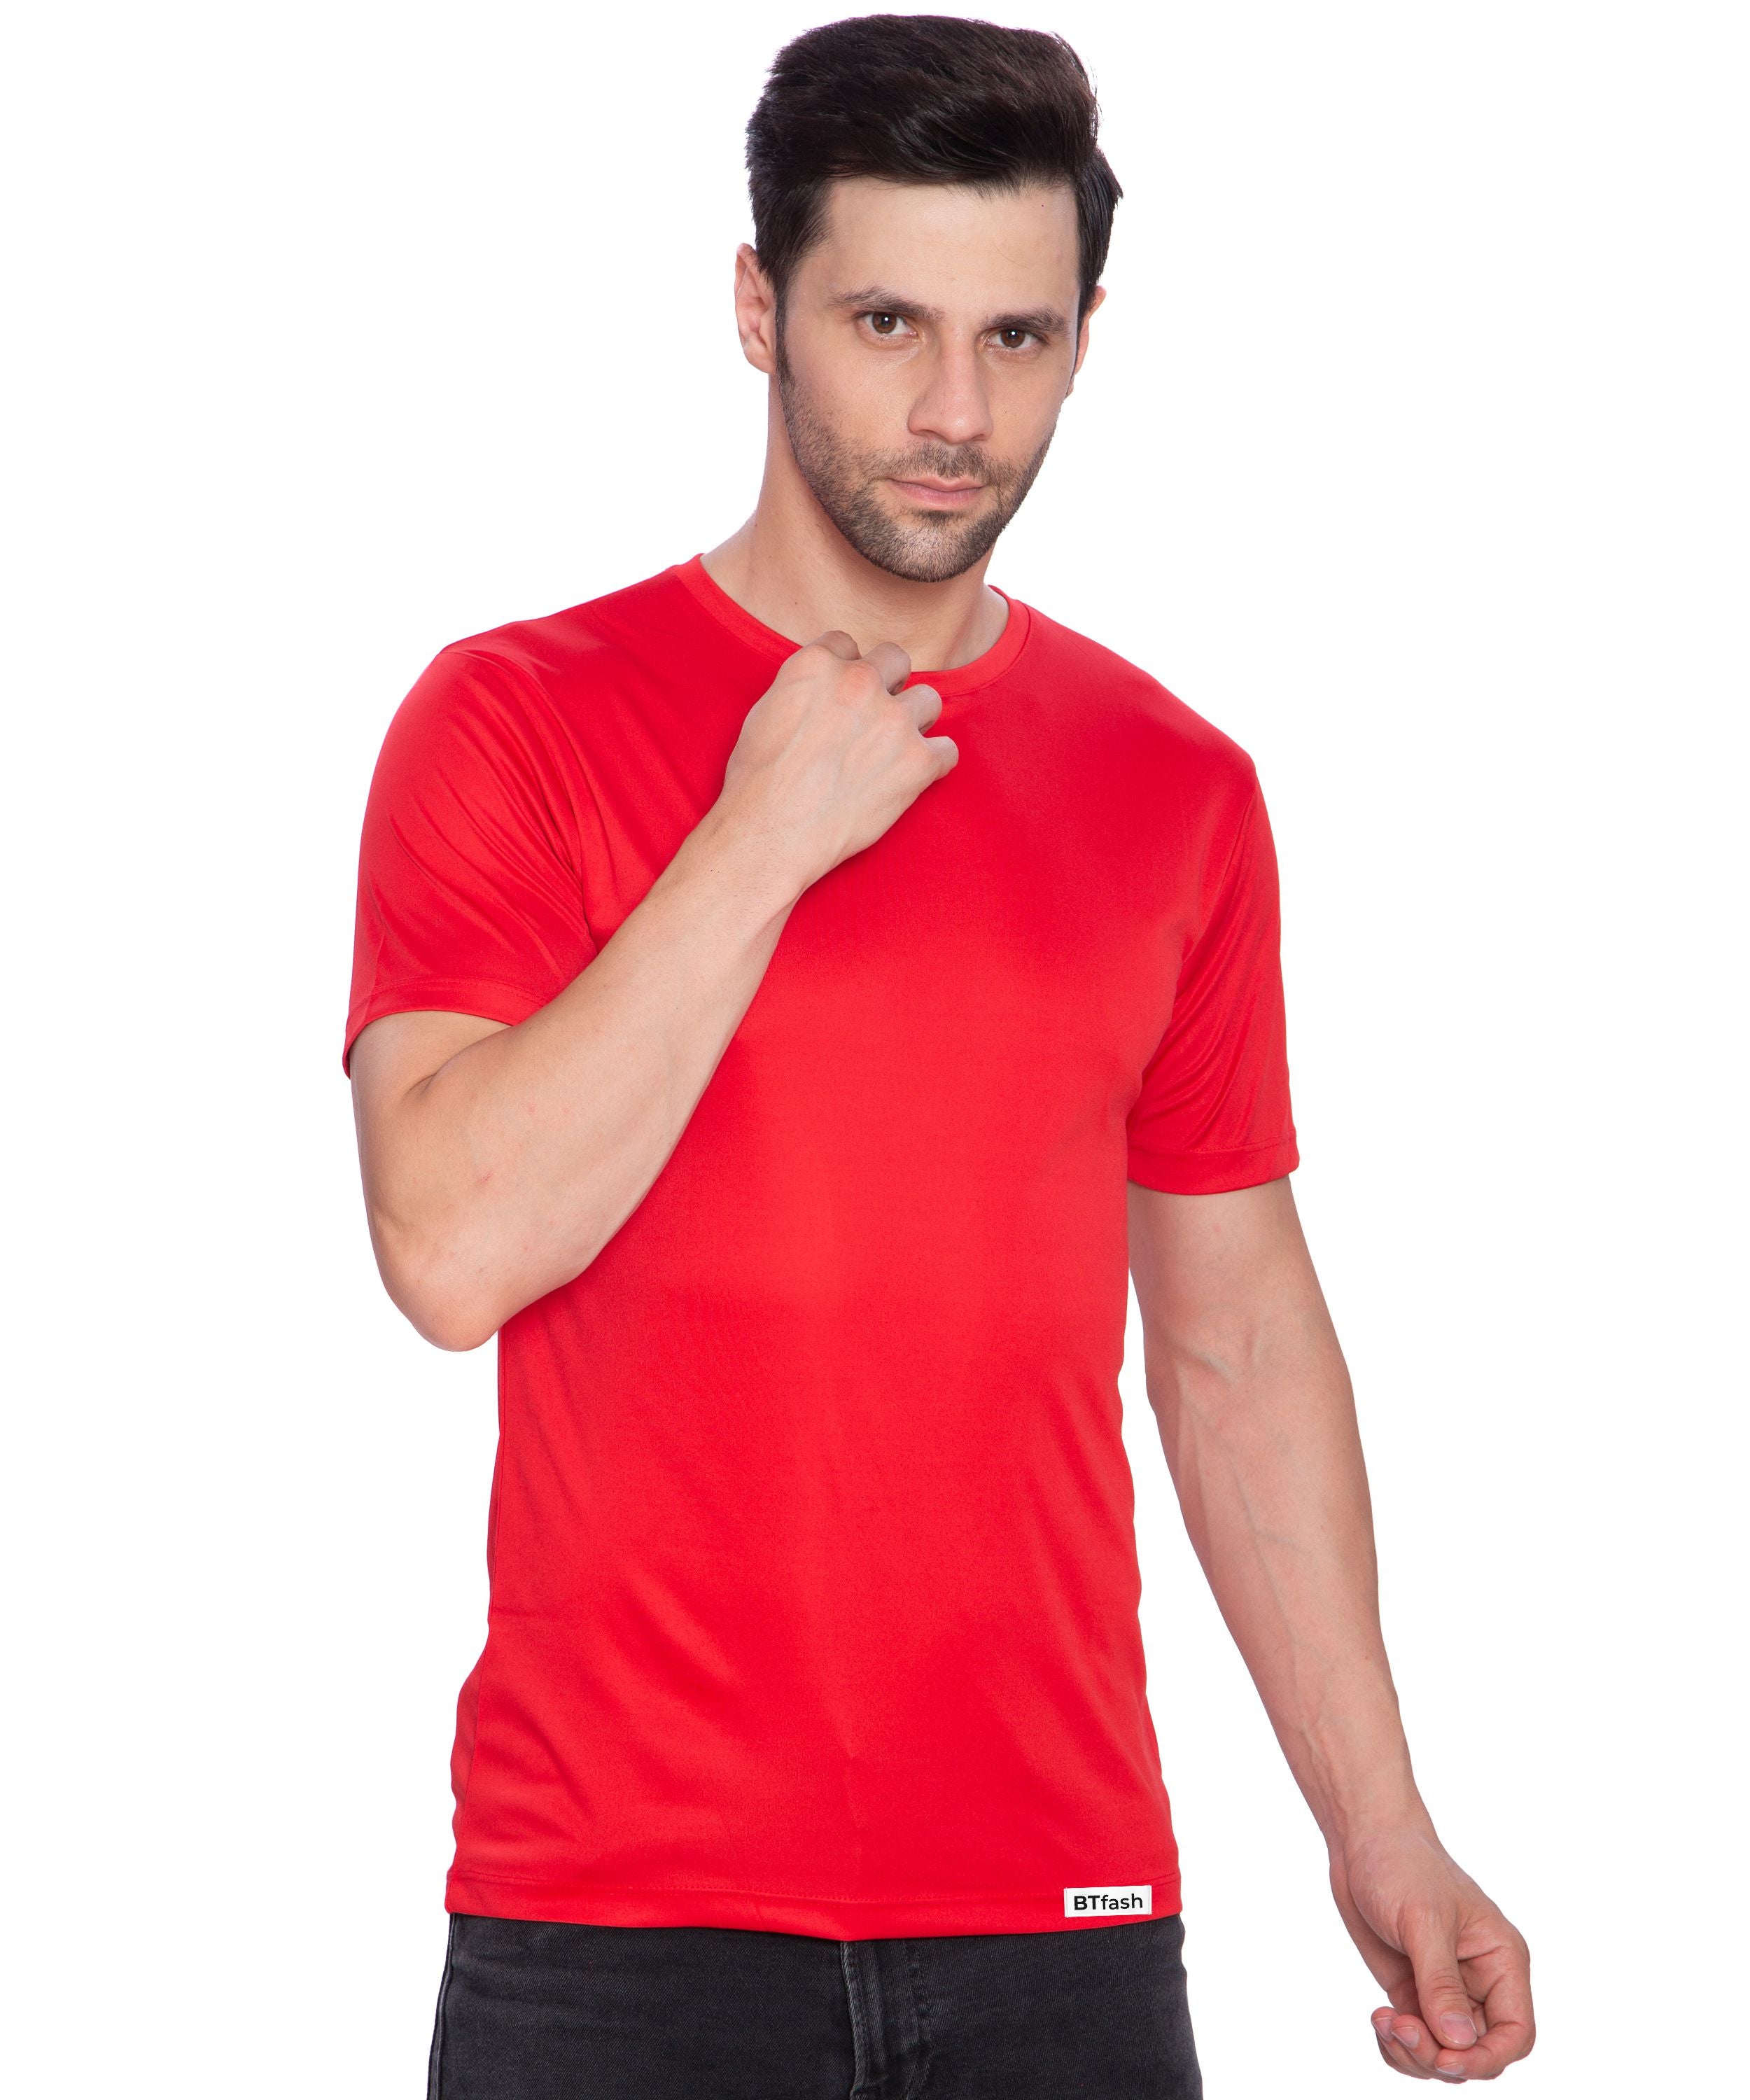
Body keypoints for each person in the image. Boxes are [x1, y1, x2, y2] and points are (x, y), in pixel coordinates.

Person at [344, 15, 1534, 2095]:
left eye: (1017, 338)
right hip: (617, 1925)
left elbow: (1234, 1340)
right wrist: (757, 844)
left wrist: (1380, 1826)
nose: (953, 414)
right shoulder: (517, 717)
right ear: (759, 309)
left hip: (1060, 1923)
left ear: (1085, 343)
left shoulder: (1175, 788)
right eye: (886, 322)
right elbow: (451, 1247)